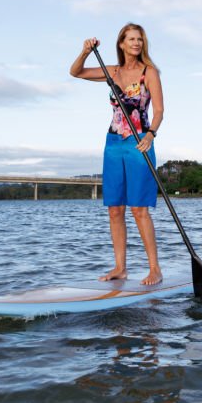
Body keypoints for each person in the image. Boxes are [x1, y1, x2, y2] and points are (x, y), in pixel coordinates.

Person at [70, 23, 164, 285]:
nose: (136, 43)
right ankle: (120, 268)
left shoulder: (150, 72)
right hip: (113, 144)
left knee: (139, 209)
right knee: (114, 209)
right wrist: (86, 51)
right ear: (121, 43)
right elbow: (75, 72)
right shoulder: (111, 71)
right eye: (131, 39)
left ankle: (155, 269)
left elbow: (159, 111)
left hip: (139, 144)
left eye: (140, 40)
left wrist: (150, 134)